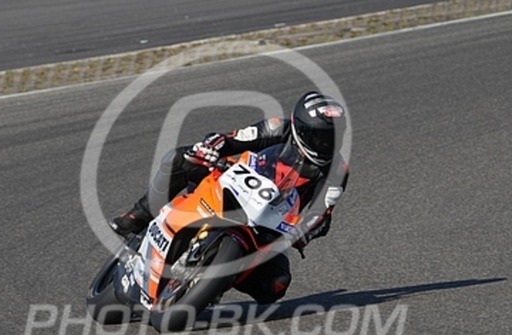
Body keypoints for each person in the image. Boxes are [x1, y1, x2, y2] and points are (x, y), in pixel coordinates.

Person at [111, 91, 349, 303]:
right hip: (230, 182)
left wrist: (303, 233)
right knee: (179, 158)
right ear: (301, 129)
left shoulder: (337, 171)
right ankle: (139, 216)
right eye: (320, 137)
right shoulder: (276, 127)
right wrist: (210, 146)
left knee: (276, 286)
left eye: (334, 138)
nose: (326, 145)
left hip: (269, 224)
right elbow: (234, 138)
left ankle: (215, 282)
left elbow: (322, 214)